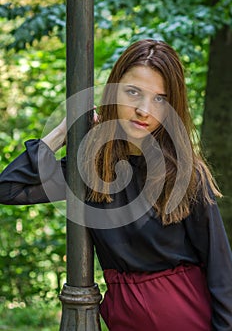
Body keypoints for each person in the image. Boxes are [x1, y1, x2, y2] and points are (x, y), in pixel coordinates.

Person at [0, 39, 231, 331]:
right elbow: (8, 189)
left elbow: (221, 270)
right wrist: (61, 131)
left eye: (160, 98)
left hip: (187, 317)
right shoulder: (89, 169)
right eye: (133, 93)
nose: (144, 110)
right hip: (125, 319)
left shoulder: (185, 174)